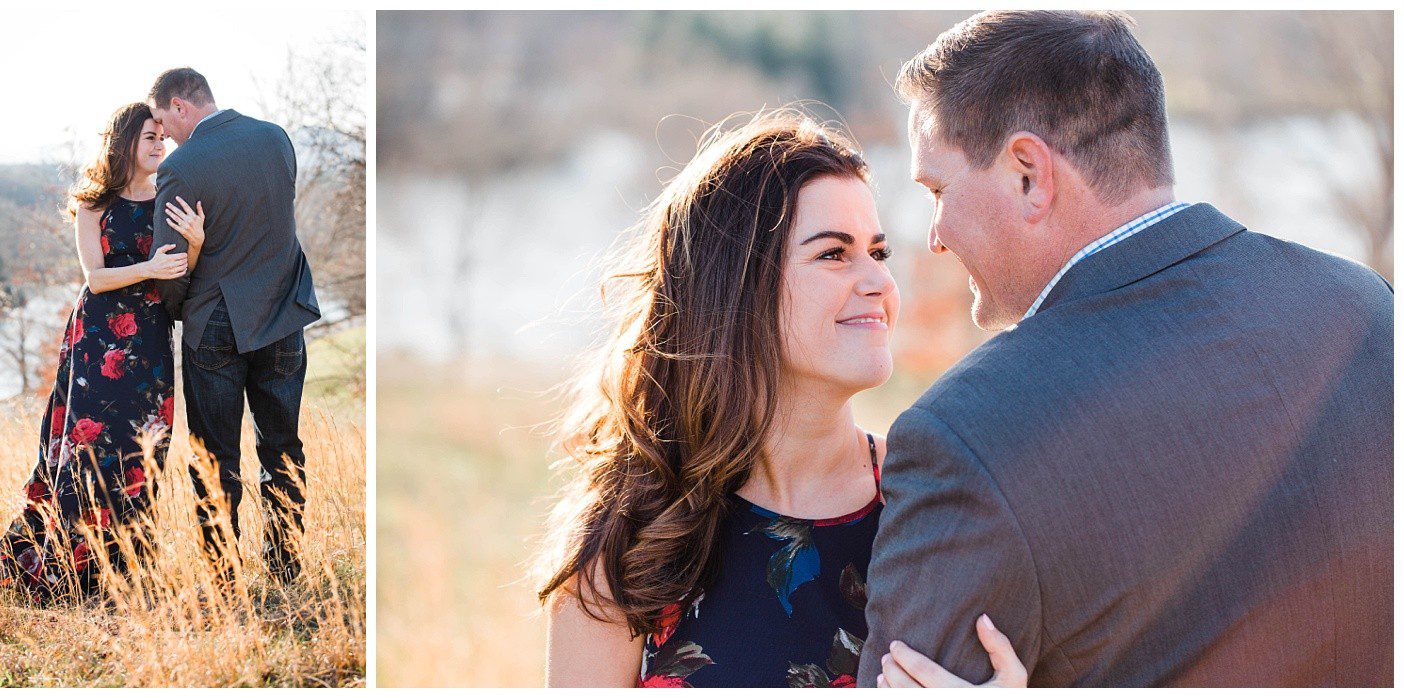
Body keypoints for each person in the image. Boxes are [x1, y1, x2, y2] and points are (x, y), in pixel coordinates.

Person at [863, 10, 1393, 687]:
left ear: (1029, 173)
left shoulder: (965, 439)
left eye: (937, 189)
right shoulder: (1368, 310)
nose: (933, 235)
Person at [536, 110, 1023, 688]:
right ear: (736, 287)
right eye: (833, 253)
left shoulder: (939, 506)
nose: (880, 283)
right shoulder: (630, 541)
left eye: (879, 252)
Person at [0, 102, 204, 602]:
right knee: (89, 450)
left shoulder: (167, 197)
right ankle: (67, 570)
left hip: (148, 340)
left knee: (144, 448)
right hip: (97, 339)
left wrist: (195, 243)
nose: (159, 145)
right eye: (149, 136)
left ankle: (128, 573)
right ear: (125, 141)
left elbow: (179, 275)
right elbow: (97, 277)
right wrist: (149, 268)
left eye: (162, 137)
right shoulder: (93, 203)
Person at [146, 67, 322, 584]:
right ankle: (286, 567)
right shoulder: (277, 140)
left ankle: (222, 576)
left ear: (180, 105)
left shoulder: (181, 168)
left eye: (164, 121)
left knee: (215, 456)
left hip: (215, 324)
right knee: (283, 446)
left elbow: (170, 264)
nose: (165, 135)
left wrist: (176, 309)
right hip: (282, 316)